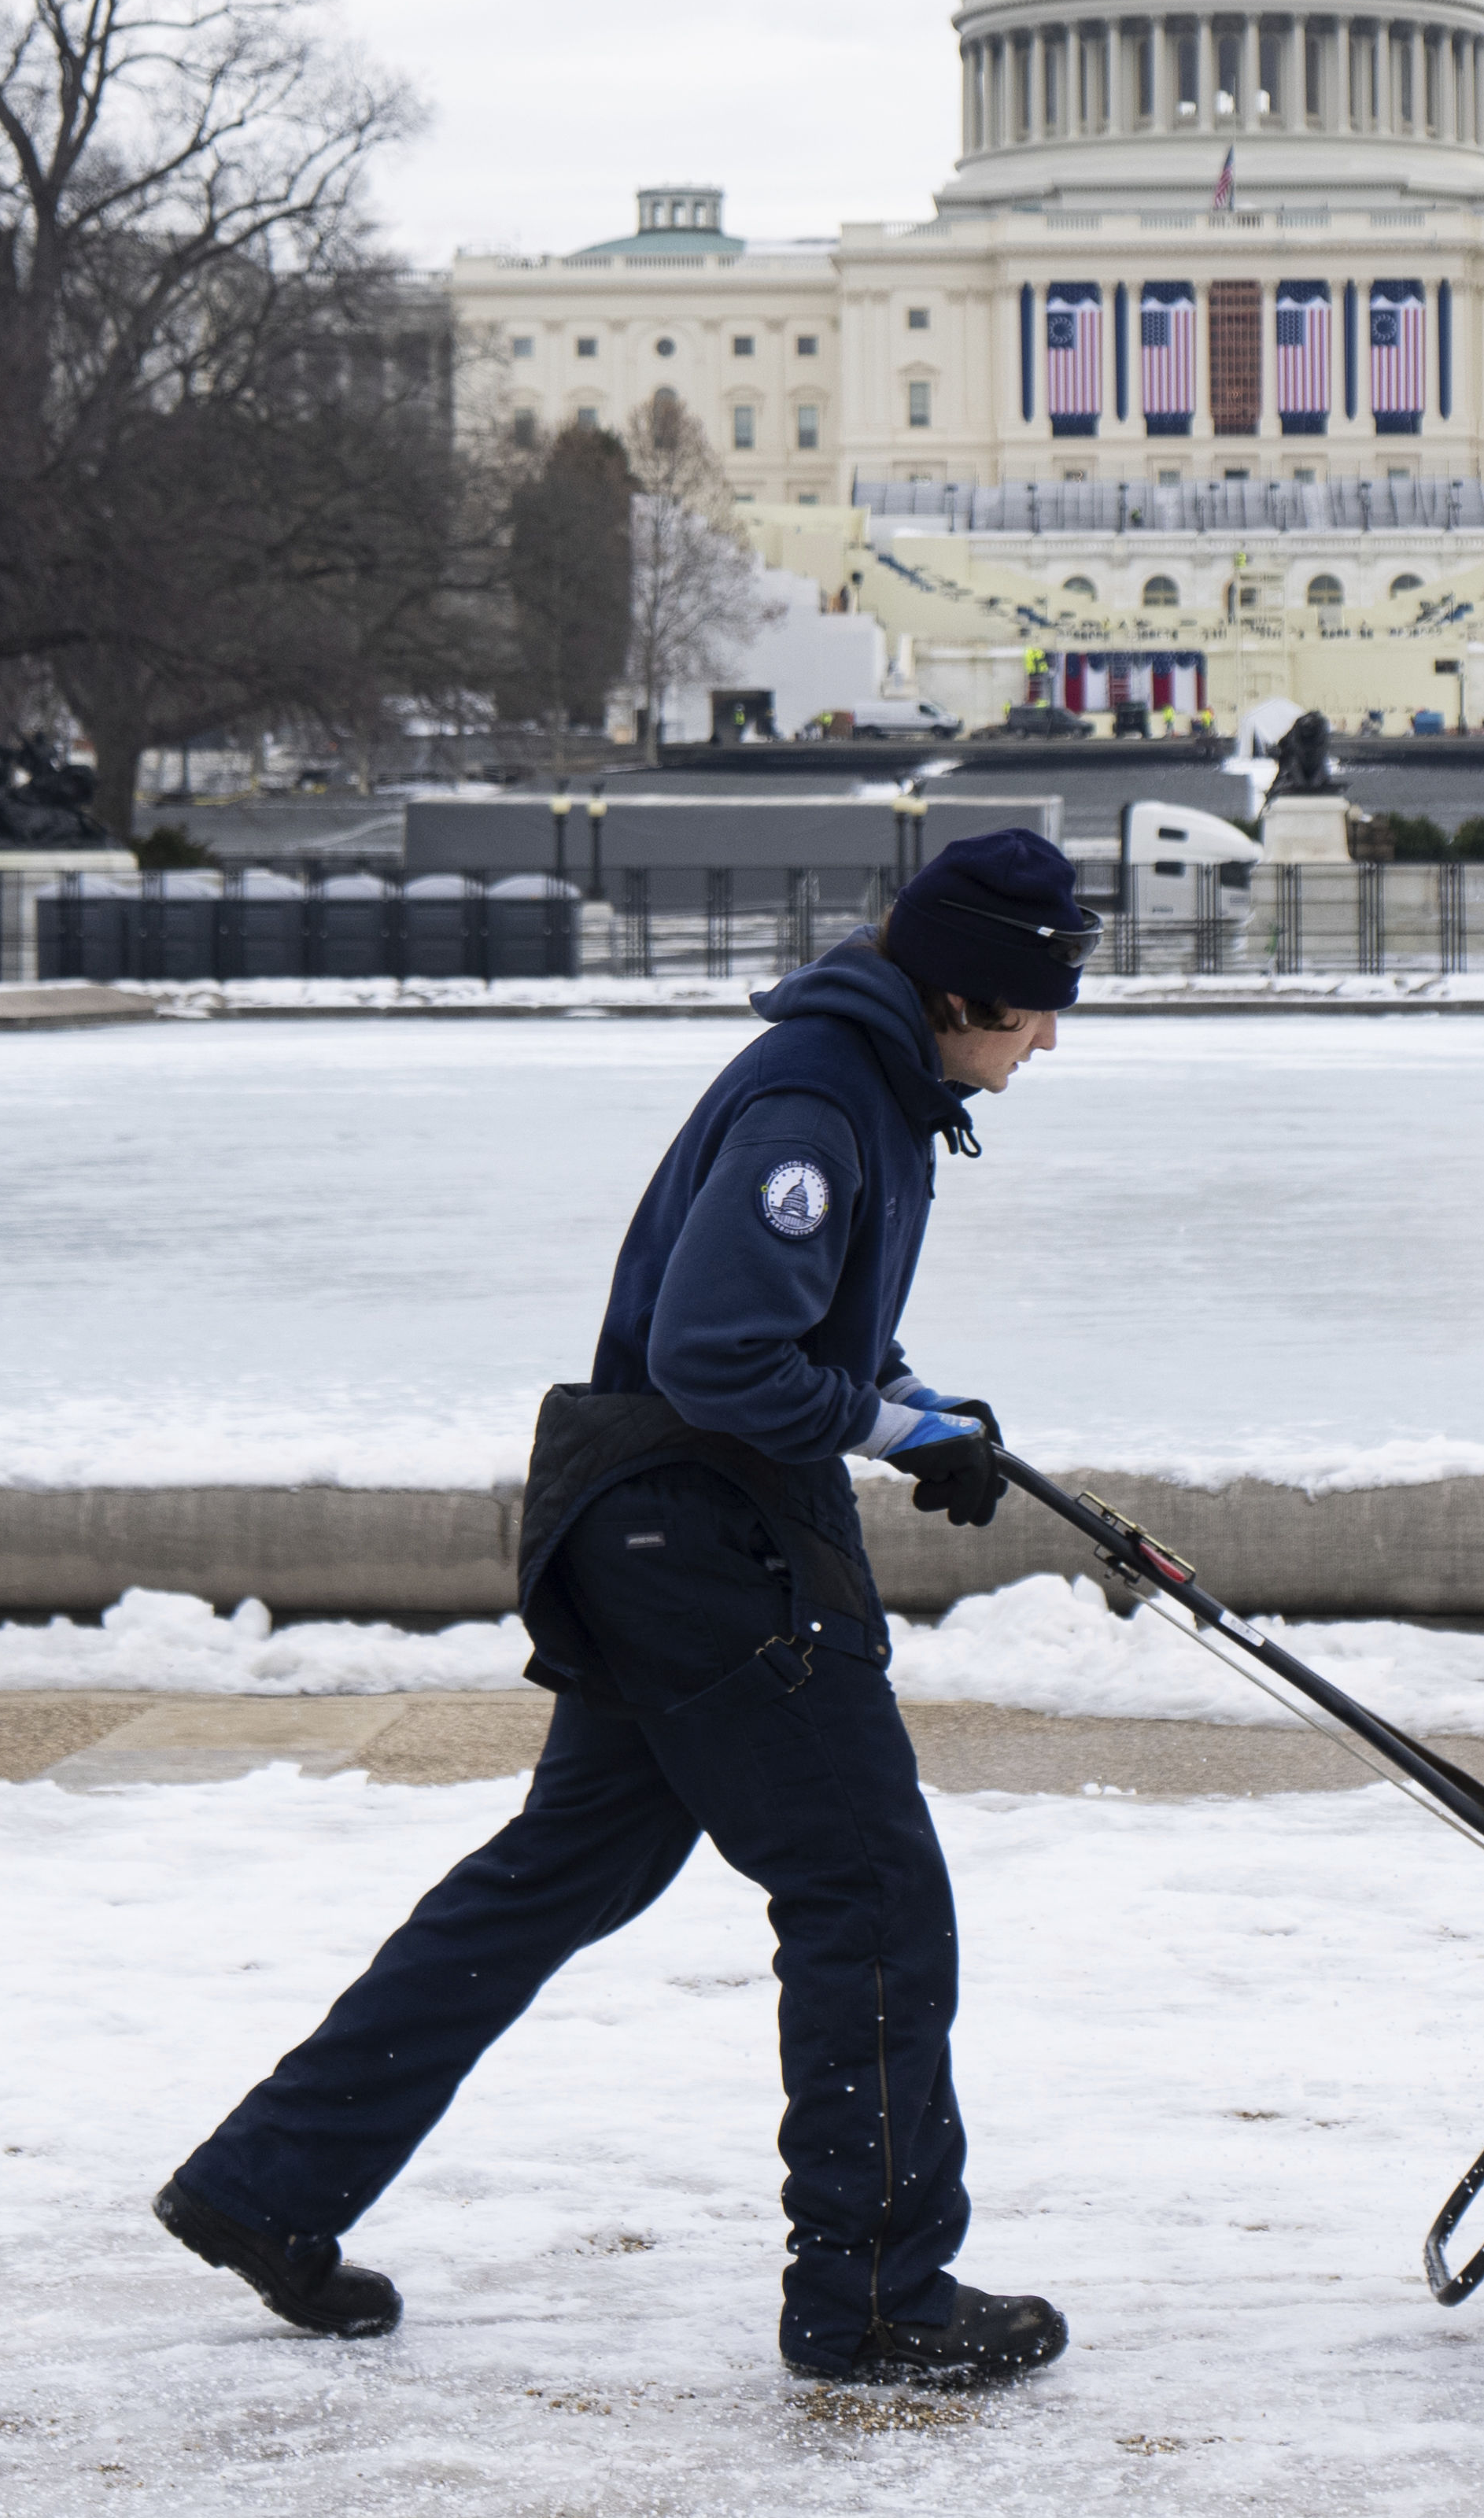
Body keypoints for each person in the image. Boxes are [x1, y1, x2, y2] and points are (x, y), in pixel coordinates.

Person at [154, 830, 1101, 2388]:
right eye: (1031, 1006)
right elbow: (720, 1356)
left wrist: (922, 1406)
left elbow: (797, 1329)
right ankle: (872, 2294)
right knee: (867, 1894)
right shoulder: (816, 1096)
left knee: (554, 1875)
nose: (1045, 1035)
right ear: (958, 986)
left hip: (655, 1526)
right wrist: (886, 1429)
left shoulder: (868, 1081)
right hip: (702, 1538)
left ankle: (268, 2186)